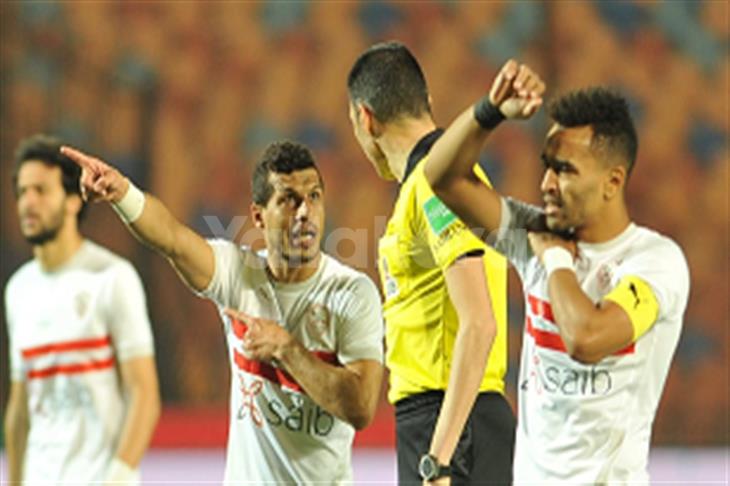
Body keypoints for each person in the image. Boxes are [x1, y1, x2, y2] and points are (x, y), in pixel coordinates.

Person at [424, 60, 690, 484]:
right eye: (547, 165)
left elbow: (586, 339)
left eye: (564, 169)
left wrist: (555, 261)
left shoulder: (654, 261)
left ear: (613, 181)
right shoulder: (534, 234)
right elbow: (441, 180)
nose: (546, 183)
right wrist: (490, 111)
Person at [61, 140, 384, 484]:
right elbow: (172, 239)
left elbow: (361, 408)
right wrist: (122, 193)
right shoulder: (237, 274)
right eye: (288, 199)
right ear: (258, 216)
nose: (305, 212)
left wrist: (287, 350)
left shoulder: (352, 293)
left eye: (314, 196)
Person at [347, 41, 515, 485]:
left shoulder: (433, 184)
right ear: (428, 102)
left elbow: (479, 322)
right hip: (450, 423)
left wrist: (438, 461)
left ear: (365, 118)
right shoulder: (440, 180)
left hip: (450, 426)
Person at [4, 134, 160, 485]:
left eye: (41, 190)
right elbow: (20, 408)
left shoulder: (113, 278)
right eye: (22, 192)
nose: (28, 202)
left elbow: (144, 394)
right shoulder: (18, 290)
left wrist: (119, 477)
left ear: (74, 200)